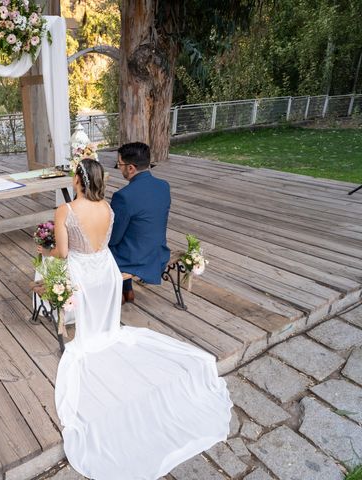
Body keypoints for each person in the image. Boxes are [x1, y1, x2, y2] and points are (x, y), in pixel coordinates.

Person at [37, 159, 232, 480]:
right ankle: (98, 330)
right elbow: (103, 244)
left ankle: (61, 316)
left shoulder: (66, 210)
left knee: (45, 268)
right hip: (107, 274)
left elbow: (61, 253)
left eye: (73, 175)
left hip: (82, 274)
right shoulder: (109, 209)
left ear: (78, 180)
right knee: (110, 333)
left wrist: (42, 249)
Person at [109, 142, 170, 304]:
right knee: (131, 236)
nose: (119, 168)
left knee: (106, 247)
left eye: (119, 164)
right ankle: (127, 290)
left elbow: (114, 237)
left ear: (130, 168)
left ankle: (118, 292)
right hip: (158, 251)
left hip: (136, 258)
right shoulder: (164, 186)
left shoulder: (123, 196)